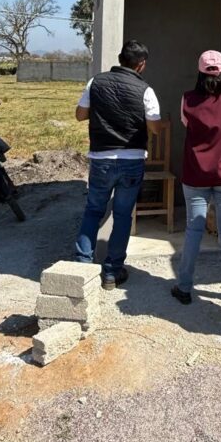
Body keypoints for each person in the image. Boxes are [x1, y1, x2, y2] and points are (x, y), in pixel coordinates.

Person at [74, 40, 160, 289]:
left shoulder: (96, 82)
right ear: (141, 64)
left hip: (101, 159)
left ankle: (81, 267)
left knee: (93, 210)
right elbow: (154, 127)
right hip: (132, 160)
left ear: (120, 58)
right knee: (122, 216)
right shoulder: (146, 90)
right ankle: (112, 272)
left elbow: (80, 115)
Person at [171, 50, 221, 305]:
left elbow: (186, 124)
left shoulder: (188, 100)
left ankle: (183, 287)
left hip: (196, 175)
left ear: (200, 71)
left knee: (194, 229)